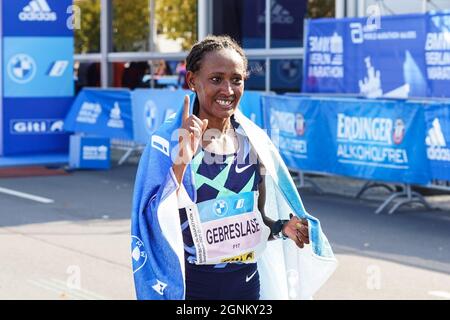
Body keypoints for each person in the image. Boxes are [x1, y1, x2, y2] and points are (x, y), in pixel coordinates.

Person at [131, 35, 337, 300]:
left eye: (236, 79)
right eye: (216, 79)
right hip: (191, 288)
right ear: (192, 80)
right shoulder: (167, 142)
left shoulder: (254, 143)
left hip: (246, 285)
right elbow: (151, 222)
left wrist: (282, 228)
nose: (228, 90)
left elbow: (256, 220)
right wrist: (182, 160)